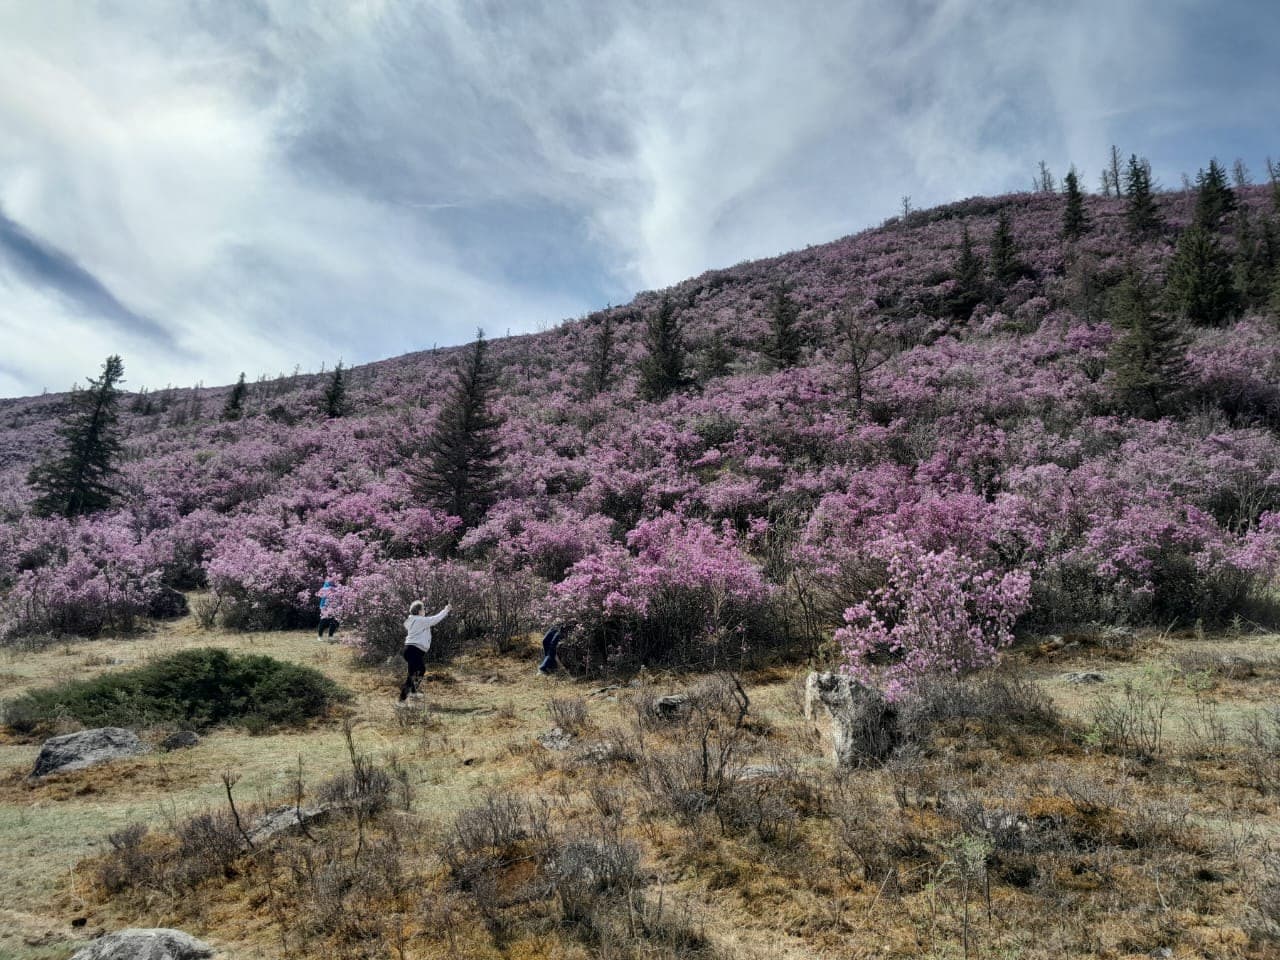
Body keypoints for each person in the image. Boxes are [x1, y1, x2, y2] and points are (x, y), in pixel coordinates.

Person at [400, 599, 451, 701]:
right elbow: (435, 619)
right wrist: (446, 609)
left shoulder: (414, 620)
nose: (424, 611)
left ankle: (413, 693)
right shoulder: (419, 620)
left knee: (419, 670)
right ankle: (401, 700)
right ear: (419, 611)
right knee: (412, 675)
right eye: (423, 609)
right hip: (413, 650)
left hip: (410, 650)